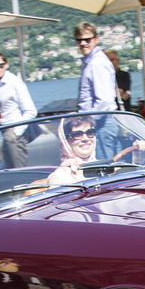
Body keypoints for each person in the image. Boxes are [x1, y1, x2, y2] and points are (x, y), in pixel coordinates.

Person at [74, 22, 119, 159]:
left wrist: (87, 123)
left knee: (105, 169)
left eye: (87, 39)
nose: (83, 43)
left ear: (96, 39)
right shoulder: (92, 62)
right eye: (79, 40)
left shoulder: (97, 63)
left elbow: (104, 101)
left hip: (102, 124)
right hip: (100, 123)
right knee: (106, 167)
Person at [0, 51, 38, 168]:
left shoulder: (14, 83)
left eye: (1, 65)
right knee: (11, 170)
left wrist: (17, 132)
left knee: (19, 169)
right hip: (4, 130)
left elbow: (31, 111)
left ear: (6, 65)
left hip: (14, 130)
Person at [48, 116, 98, 186]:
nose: (85, 139)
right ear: (65, 141)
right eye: (77, 134)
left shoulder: (108, 168)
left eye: (90, 132)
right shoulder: (58, 179)